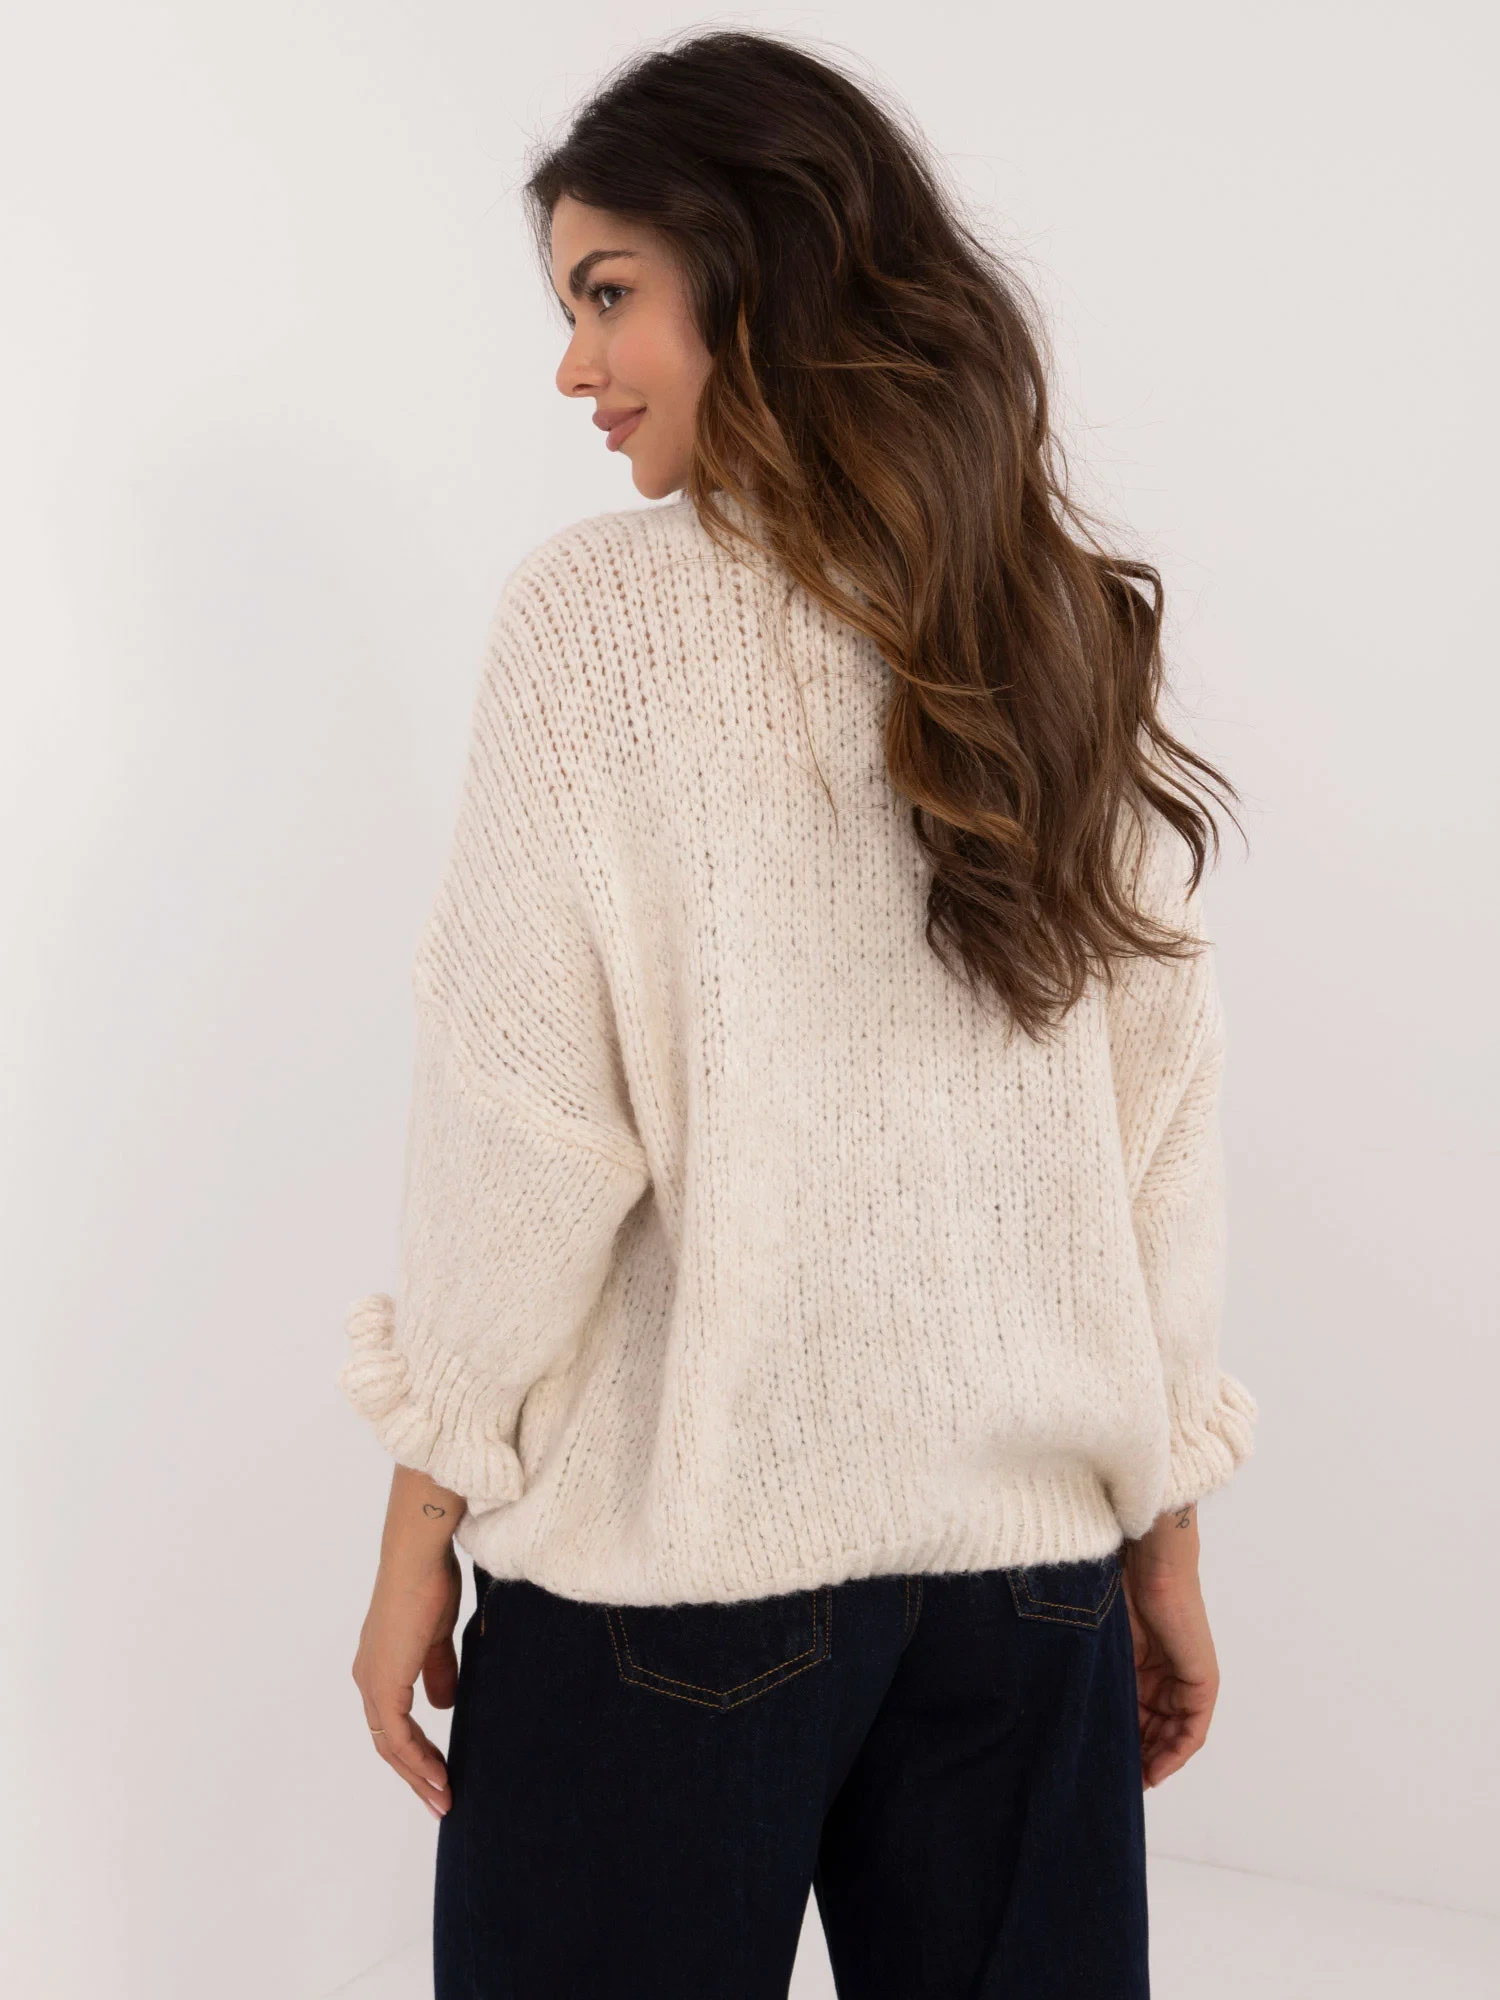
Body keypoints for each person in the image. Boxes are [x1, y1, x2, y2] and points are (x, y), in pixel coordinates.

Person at [339, 28, 1258, 2000]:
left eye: (608, 295)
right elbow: (1156, 1124)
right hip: (1028, 1591)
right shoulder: (1046, 620)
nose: (575, 367)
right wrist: (1161, 1536)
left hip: (680, 1580)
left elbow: (525, 1121)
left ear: (759, 266)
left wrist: (421, 1516)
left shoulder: (597, 620)